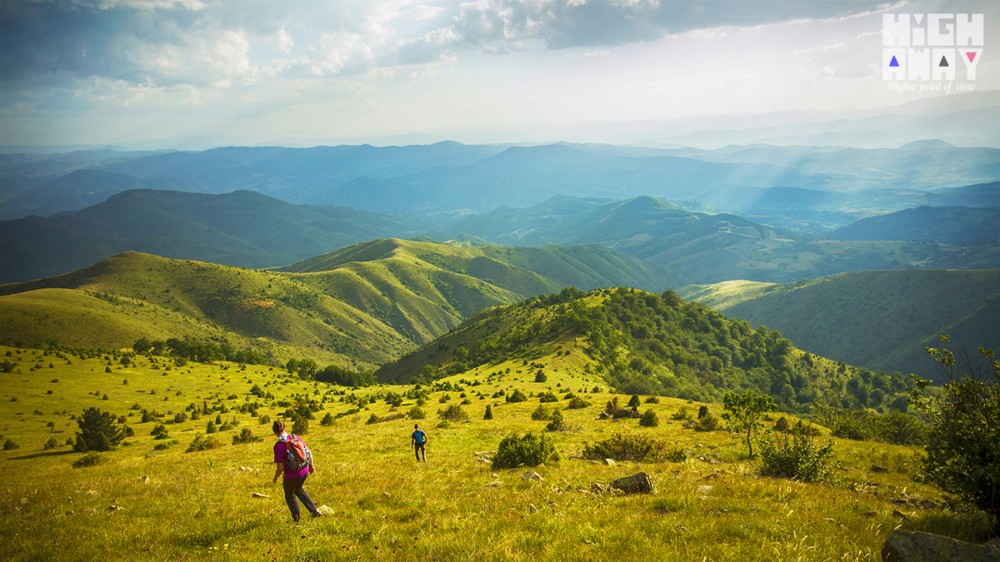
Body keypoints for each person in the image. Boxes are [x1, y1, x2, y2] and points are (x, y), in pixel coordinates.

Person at [271, 420, 321, 522]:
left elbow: (280, 468)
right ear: (284, 428)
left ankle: (297, 519)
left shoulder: (278, 446)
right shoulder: (295, 437)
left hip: (292, 476)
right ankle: (314, 510)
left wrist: (275, 477)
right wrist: (311, 466)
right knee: (299, 489)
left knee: (290, 495)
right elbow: (308, 452)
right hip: (304, 469)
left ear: (275, 432)